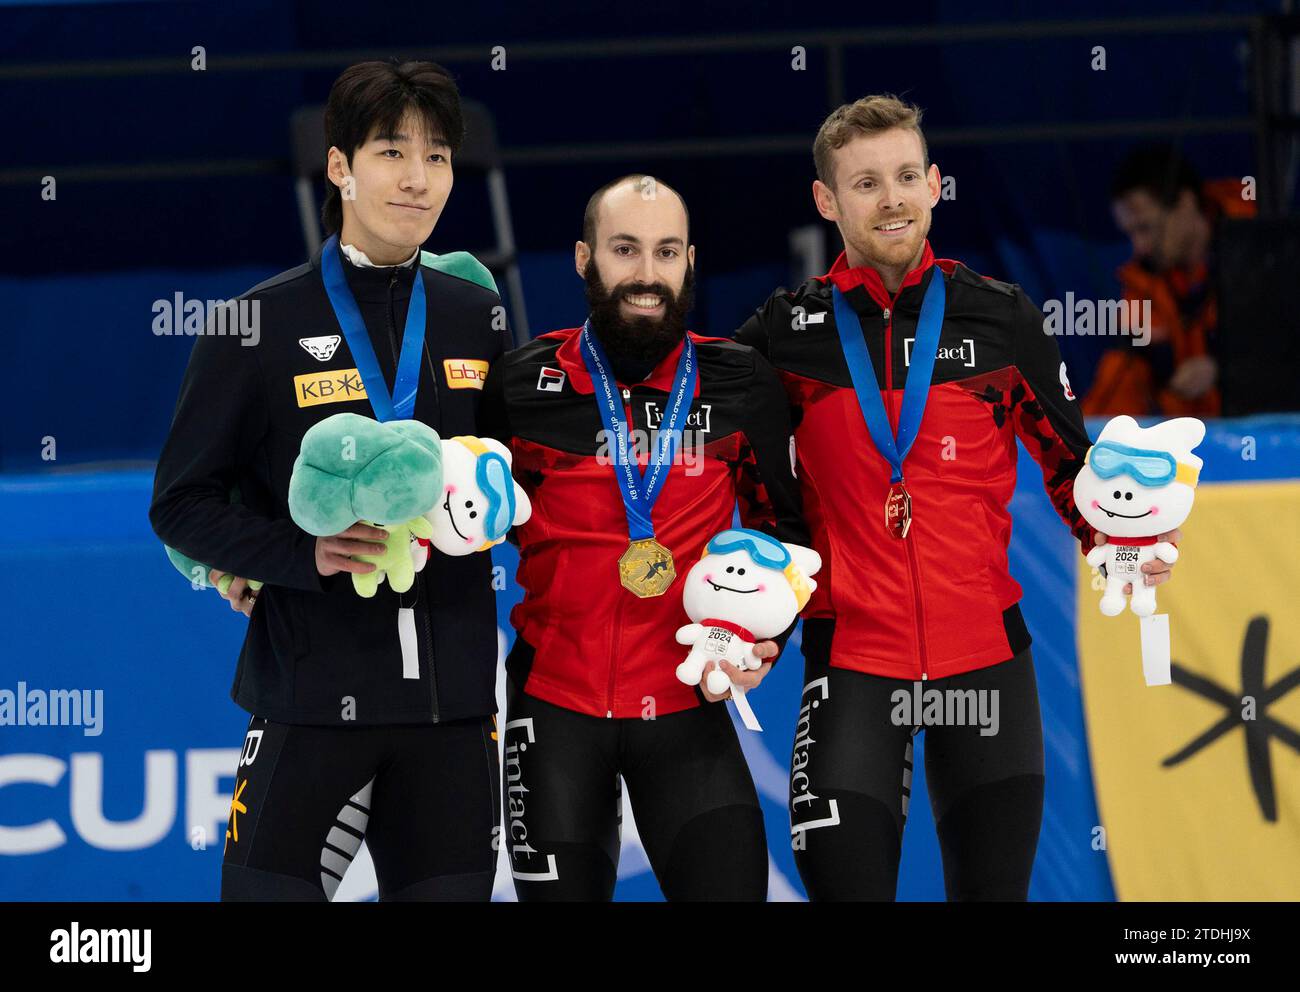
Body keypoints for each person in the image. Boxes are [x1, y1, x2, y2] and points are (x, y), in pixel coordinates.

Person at [736, 95, 1180, 900]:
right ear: (826, 202)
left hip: (986, 671)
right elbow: (711, 443)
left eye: (907, 175)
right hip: (854, 666)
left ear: (937, 184)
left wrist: (1117, 544)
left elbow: (1071, 465)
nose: (892, 197)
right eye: (866, 183)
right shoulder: (785, 331)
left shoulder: (1001, 318)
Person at [150, 60, 508, 902]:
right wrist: (295, 554)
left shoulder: (476, 316)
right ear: (340, 166)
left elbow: (516, 478)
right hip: (310, 709)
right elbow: (179, 503)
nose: (419, 180)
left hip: (454, 716)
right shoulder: (257, 324)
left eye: (439, 157)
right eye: (393, 152)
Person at [477, 175, 809, 901]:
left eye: (665, 252)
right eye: (625, 250)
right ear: (582, 257)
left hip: (688, 709)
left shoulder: (740, 383)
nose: (647, 276)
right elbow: (464, 518)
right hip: (554, 712)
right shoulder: (521, 385)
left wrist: (765, 640)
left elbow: (786, 530)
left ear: (690, 260)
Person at [1082, 143, 1255, 417]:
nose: (1139, 246)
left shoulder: (1264, 250)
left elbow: (1286, 357)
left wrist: (1226, 370)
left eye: (1146, 227)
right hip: (1198, 449)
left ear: (1186, 203)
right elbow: (1123, 380)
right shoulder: (1142, 286)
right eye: (1130, 233)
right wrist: (1086, 449)